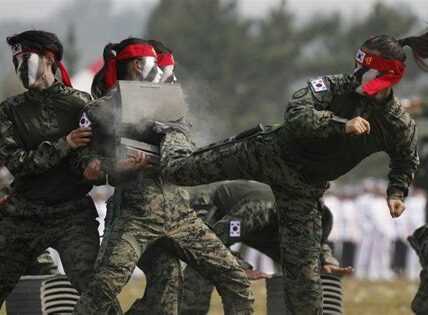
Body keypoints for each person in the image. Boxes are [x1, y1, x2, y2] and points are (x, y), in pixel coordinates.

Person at [158, 32, 428, 314]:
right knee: (179, 170)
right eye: (357, 64)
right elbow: (296, 112)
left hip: (303, 189)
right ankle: (171, 129)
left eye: (366, 68)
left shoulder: (397, 123)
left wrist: (397, 191)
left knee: (305, 281)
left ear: (387, 75)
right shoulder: (336, 86)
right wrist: (340, 124)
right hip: (268, 153)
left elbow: (406, 158)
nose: (357, 72)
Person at [72, 38, 254, 315]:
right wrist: (117, 166)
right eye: (154, 62)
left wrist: (163, 158)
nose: (161, 70)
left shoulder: (169, 104)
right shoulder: (98, 110)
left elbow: (185, 151)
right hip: (134, 216)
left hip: (179, 214)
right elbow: (86, 166)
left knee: (233, 279)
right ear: (137, 64)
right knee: (103, 288)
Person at [129, 180, 352, 315]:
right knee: (205, 268)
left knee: (300, 265)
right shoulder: (259, 210)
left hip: (261, 228)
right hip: (211, 213)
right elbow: (213, 242)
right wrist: (239, 266)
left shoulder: (306, 216)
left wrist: (327, 262)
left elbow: (313, 244)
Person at [0, 30, 100, 304]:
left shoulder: (79, 103)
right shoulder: (9, 110)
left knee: (95, 292)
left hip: (72, 214)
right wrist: (65, 144)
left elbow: (92, 157)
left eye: (25, 58)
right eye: (15, 61)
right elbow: (17, 163)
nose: (20, 67)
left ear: (48, 59)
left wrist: (97, 169)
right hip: (23, 214)